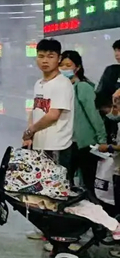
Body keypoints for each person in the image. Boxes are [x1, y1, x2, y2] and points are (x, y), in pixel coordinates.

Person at [60, 50, 106, 194]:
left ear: (77, 67)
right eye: (62, 65)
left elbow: (93, 115)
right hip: (66, 142)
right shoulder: (61, 88)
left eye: (68, 65)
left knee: (87, 184)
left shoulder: (82, 87)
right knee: (66, 183)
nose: (64, 69)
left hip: (84, 144)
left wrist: (102, 139)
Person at [23, 38, 74, 168]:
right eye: (41, 56)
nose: (45, 61)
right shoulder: (38, 83)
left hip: (56, 146)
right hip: (39, 144)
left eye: (50, 57)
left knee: (55, 181)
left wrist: (30, 130)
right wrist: (29, 135)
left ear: (59, 58)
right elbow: (35, 110)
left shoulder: (62, 83)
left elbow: (53, 115)